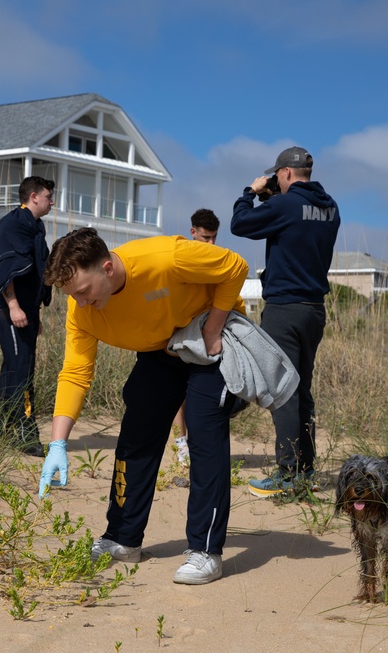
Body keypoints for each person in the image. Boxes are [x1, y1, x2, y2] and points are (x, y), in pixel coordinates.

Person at [37, 227, 248, 585]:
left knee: (202, 432)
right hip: (161, 350)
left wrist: (213, 328)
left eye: (85, 292)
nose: (81, 303)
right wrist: (58, 443)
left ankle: (206, 551)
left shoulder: (166, 258)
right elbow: (75, 372)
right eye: (73, 296)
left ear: (107, 268)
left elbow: (235, 265)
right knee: (136, 434)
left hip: (208, 341)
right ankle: (123, 537)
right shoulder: (81, 308)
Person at [231, 146, 340, 497]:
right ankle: (305, 469)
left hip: (284, 308)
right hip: (314, 310)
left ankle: (288, 473)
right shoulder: (330, 207)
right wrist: (273, 197)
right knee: (302, 389)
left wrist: (250, 192)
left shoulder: (284, 205)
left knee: (283, 389)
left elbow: (240, 223)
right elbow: (297, 228)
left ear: (287, 173)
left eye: (277, 175)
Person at [0, 176, 55, 457]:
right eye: (49, 196)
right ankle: (24, 433)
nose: (52, 201)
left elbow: (38, 269)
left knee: (14, 368)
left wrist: (34, 313)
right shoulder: (12, 224)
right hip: (9, 310)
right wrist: (14, 306)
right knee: (21, 370)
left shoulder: (36, 227)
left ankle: (1, 428)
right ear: (33, 196)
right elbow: (1, 266)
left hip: (26, 311)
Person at [172, 208, 221, 465]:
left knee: (201, 392)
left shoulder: (217, 260)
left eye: (214, 237)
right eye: (205, 237)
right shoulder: (179, 256)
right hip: (178, 332)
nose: (211, 243)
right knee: (180, 393)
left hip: (206, 332)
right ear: (193, 233)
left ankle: (198, 442)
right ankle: (182, 441)